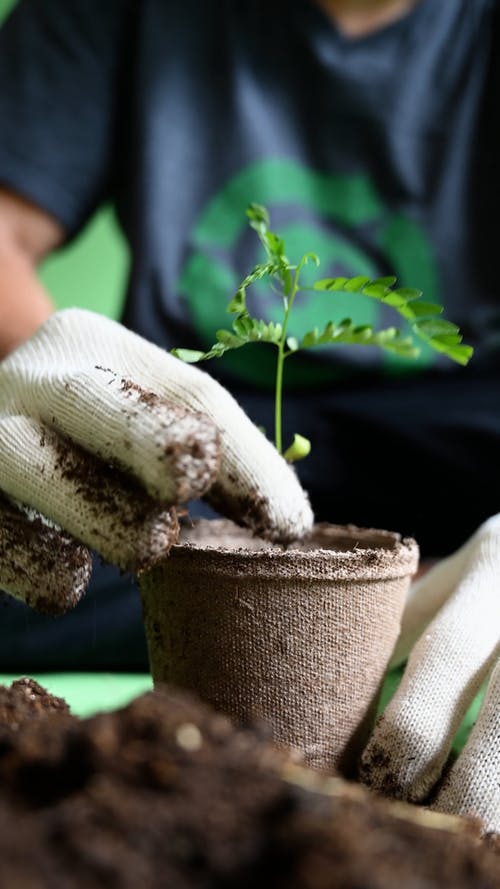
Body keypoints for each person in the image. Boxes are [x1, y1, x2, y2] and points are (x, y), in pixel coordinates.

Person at [0, 0, 498, 831]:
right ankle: (353, 635)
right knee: (40, 554)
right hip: (201, 453)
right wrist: (51, 367)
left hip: (472, 467)